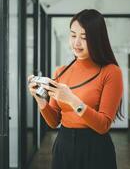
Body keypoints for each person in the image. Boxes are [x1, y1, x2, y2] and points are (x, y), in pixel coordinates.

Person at [28, 9, 123, 169]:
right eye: (73, 35)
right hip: (63, 146)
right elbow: (53, 122)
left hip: (96, 148)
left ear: (97, 39)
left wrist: (71, 99)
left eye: (84, 37)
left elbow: (103, 125)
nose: (76, 43)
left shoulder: (111, 71)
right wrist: (40, 100)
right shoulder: (61, 71)